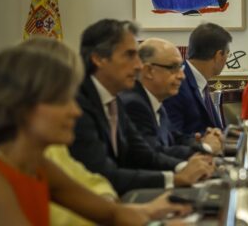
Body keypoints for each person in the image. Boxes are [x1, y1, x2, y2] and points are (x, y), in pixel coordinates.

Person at [0, 37, 190, 225]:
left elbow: (112, 214)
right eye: (61, 100)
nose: (76, 111)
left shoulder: (38, 164)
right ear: (22, 105)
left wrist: (150, 213)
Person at [69, 19, 215, 196]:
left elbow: (144, 154)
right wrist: (174, 178)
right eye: (130, 55)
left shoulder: (114, 100)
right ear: (99, 59)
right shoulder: (77, 104)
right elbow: (104, 174)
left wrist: (187, 167)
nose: (138, 65)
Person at [120, 38, 223, 160]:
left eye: (181, 68)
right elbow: (154, 154)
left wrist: (204, 140)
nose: (182, 76)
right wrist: (206, 147)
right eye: (173, 68)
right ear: (148, 71)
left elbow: (176, 138)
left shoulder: (156, 101)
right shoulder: (134, 104)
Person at [163, 23, 231, 135]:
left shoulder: (200, 80)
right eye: (227, 54)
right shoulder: (177, 84)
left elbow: (212, 129)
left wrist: (230, 133)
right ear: (219, 55)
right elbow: (174, 137)